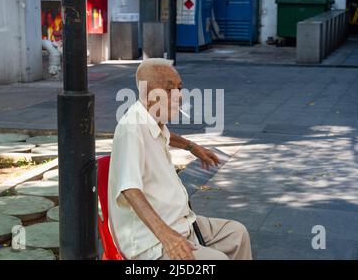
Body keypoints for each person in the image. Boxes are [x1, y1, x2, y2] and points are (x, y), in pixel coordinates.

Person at [107, 58, 252, 260]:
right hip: (150, 240)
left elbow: (166, 135)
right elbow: (129, 189)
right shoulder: (131, 128)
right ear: (149, 95)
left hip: (181, 222)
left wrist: (192, 147)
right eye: (169, 90)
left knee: (237, 234)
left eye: (180, 88)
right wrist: (167, 237)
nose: (179, 97)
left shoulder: (152, 120)